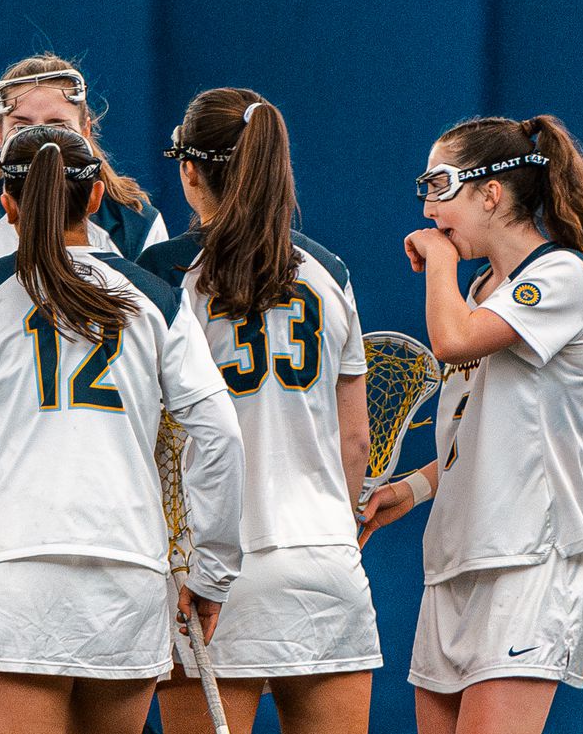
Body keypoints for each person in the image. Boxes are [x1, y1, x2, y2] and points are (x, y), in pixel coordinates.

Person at [0, 124, 245, 734]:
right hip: (126, 568)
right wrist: (212, 571)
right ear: (97, 198)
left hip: (16, 569)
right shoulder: (156, 296)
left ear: (8, 204)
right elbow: (220, 435)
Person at [359, 115, 583, 734]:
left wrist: (439, 259)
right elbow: (479, 436)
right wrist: (410, 490)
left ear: (491, 193)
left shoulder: (562, 276)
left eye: (438, 185)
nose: (426, 205)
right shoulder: (480, 289)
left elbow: (451, 341)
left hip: (529, 561)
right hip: (452, 562)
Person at [138, 89, 380, 734]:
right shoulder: (331, 273)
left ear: (189, 170)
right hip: (325, 560)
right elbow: (354, 441)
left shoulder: (160, 276)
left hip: (210, 568)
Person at [0, 53, 167, 271]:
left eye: (57, 126)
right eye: (21, 127)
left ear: (85, 131)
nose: (40, 140)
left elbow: (158, 304)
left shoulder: (136, 225)